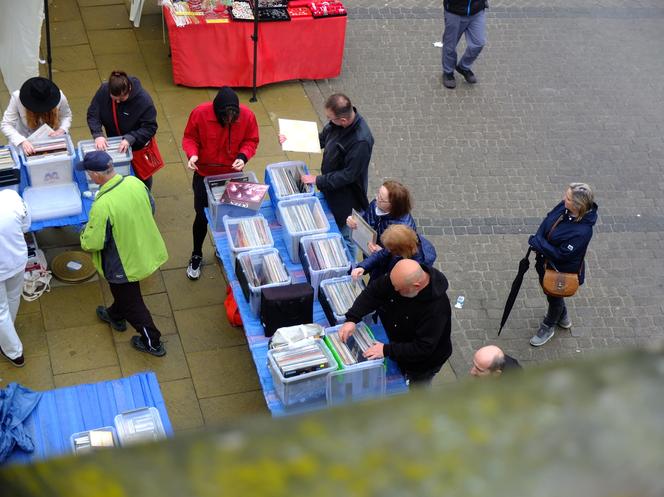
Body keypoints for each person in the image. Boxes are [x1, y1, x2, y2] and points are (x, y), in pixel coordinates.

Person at [79, 151, 168, 357]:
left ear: (96, 175)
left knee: (132, 304)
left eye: (89, 173)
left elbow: (93, 243)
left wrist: (84, 233)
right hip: (143, 248)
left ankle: (152, 341)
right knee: (124, 295)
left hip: (122, 264)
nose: (89, 177)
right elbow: (151, 207)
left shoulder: (102, 205)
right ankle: (114, 315)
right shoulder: (135, 182)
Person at [281, 94, 374, 256]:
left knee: (346, 236)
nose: (328, 121)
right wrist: (290, 139)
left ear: (343, 120)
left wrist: (318, 180)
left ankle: (350, 266)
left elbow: (348, 175)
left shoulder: (361, 141)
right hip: (331, 187)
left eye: (330, 118)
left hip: (347, 197)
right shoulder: (336, 124)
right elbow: (321, 139)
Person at [182, 86, 259, 280]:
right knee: (201, 217)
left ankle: (222, 248)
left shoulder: (248, 117)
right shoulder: (200, 113)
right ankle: (196, 254)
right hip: (204, 176)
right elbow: (190, 137)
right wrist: (192, 155)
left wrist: (244, 156)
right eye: (225, 118)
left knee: (232, 217)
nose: (229, 122)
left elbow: (251, 140)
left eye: (233, 119)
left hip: (233, 176)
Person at [340, 259, 452, 386]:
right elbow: (373, 292)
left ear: (416, 286)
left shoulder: (437, 309)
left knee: (417, 389)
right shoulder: (400, 278)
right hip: (397, 341)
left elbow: (423, 347)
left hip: (422, 364)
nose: (394, 290)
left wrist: (387, 350)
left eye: (399, 290)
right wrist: (352, 319)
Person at [528, 183, 598, 347]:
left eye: (567, 198)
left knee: (553, 297)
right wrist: (539, 239)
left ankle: (548, 325)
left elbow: (562, 255)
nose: (563, 199)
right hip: (545, 261)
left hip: (559, 270)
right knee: (554, 296)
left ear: (578, 206)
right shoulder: (565, 208)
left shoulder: (582, 232)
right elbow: (548, 219)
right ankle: (563, 317)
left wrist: (539, 243)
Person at [86, 70, 159, 189]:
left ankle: (145, 194)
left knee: (142, 177)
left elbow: (150, 127)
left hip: (137, 147)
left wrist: (131, 138)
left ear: (129, 89)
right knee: (119, 174)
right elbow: (93, 114)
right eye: (114, 99)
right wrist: (98, 134)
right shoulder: (103, 91)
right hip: (115, 144)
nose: (118, 102)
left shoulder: (144, 101)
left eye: (121, 98)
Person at [1, 77, 72, 155]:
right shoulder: (17, 97)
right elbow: (6, 124)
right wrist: (21, 141)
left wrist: (62, 129)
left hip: (50, 141)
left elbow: (66, 116)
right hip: (24, 141)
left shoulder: (60, 96)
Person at [0, 190, 31, 367]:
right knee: (13, 297)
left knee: (0, 311)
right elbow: (26, 225)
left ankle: (14, 351)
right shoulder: (12, 197)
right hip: (17, 260)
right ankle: (7, 330)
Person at [346, 180, 416, 255]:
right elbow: (366, 220)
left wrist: (382, 252)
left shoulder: (405, 229)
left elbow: (403, 257)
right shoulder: (376, 204)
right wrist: (355, 222)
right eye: (378, 194)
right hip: (369, 253)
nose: (376, 198)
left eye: (381, 199)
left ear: (393, 205)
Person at [351, 224, 437, 282]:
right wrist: (363, 267)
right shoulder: (401, 244)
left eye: (391, 249)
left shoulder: (419, 265)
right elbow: (381, 254)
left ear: (400, 250)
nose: (388, 250)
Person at [441, 0, 487, 89]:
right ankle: (448, 72)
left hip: (477, 11)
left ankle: (463, 67)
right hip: (455, 12)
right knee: (450, 45)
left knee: (479, 43)